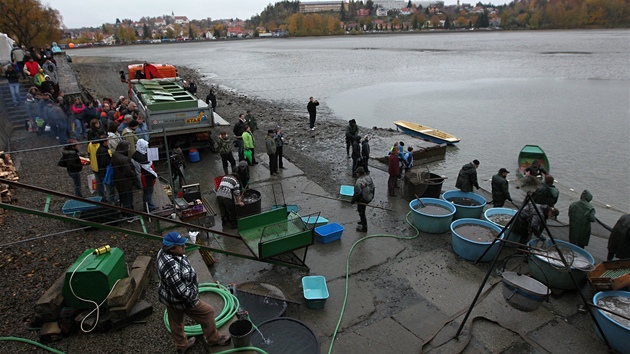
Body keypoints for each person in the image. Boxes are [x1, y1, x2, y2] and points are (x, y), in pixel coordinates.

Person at [157, 232, 231, 354]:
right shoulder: (171, 267)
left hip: (168, 297)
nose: (184, 247)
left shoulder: (163, 252)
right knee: (208, 312)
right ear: (172, 248)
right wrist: (194, 299)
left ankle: (181, 345)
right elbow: (180, 293)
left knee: (175, 321)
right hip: (180, 300)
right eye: (181, 246)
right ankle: (213, 339)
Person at [111, 141, 136, 219]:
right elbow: (128, 172)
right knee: (128, 198)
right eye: (128, 147)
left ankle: (124, 213)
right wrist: (133, 173)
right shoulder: (124, 159)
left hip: (118, 180)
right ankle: (130, 215)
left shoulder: (115, 155)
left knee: (123, 197)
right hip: (126, 182)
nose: (129, 149)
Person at [132, 139, 158, 212]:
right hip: (145, 179)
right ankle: (149, 208)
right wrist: (155, 175)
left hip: (141, 176)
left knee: (147, 193)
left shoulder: (136, 154)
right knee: (148, 193)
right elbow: (148, 170)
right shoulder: (142, 158)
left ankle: (148, 206)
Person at [351, 166, 375, 233]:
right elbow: (373, 187)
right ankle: (362, 221)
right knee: (363, 208)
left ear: (358, 173)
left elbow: (357, 193)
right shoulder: (368, 177)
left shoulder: (359, 181)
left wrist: (353, 200)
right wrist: (372, 196)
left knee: (361, 211)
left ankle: (364, 227)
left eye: (357, 173)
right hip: (370, 196)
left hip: (364, 198)